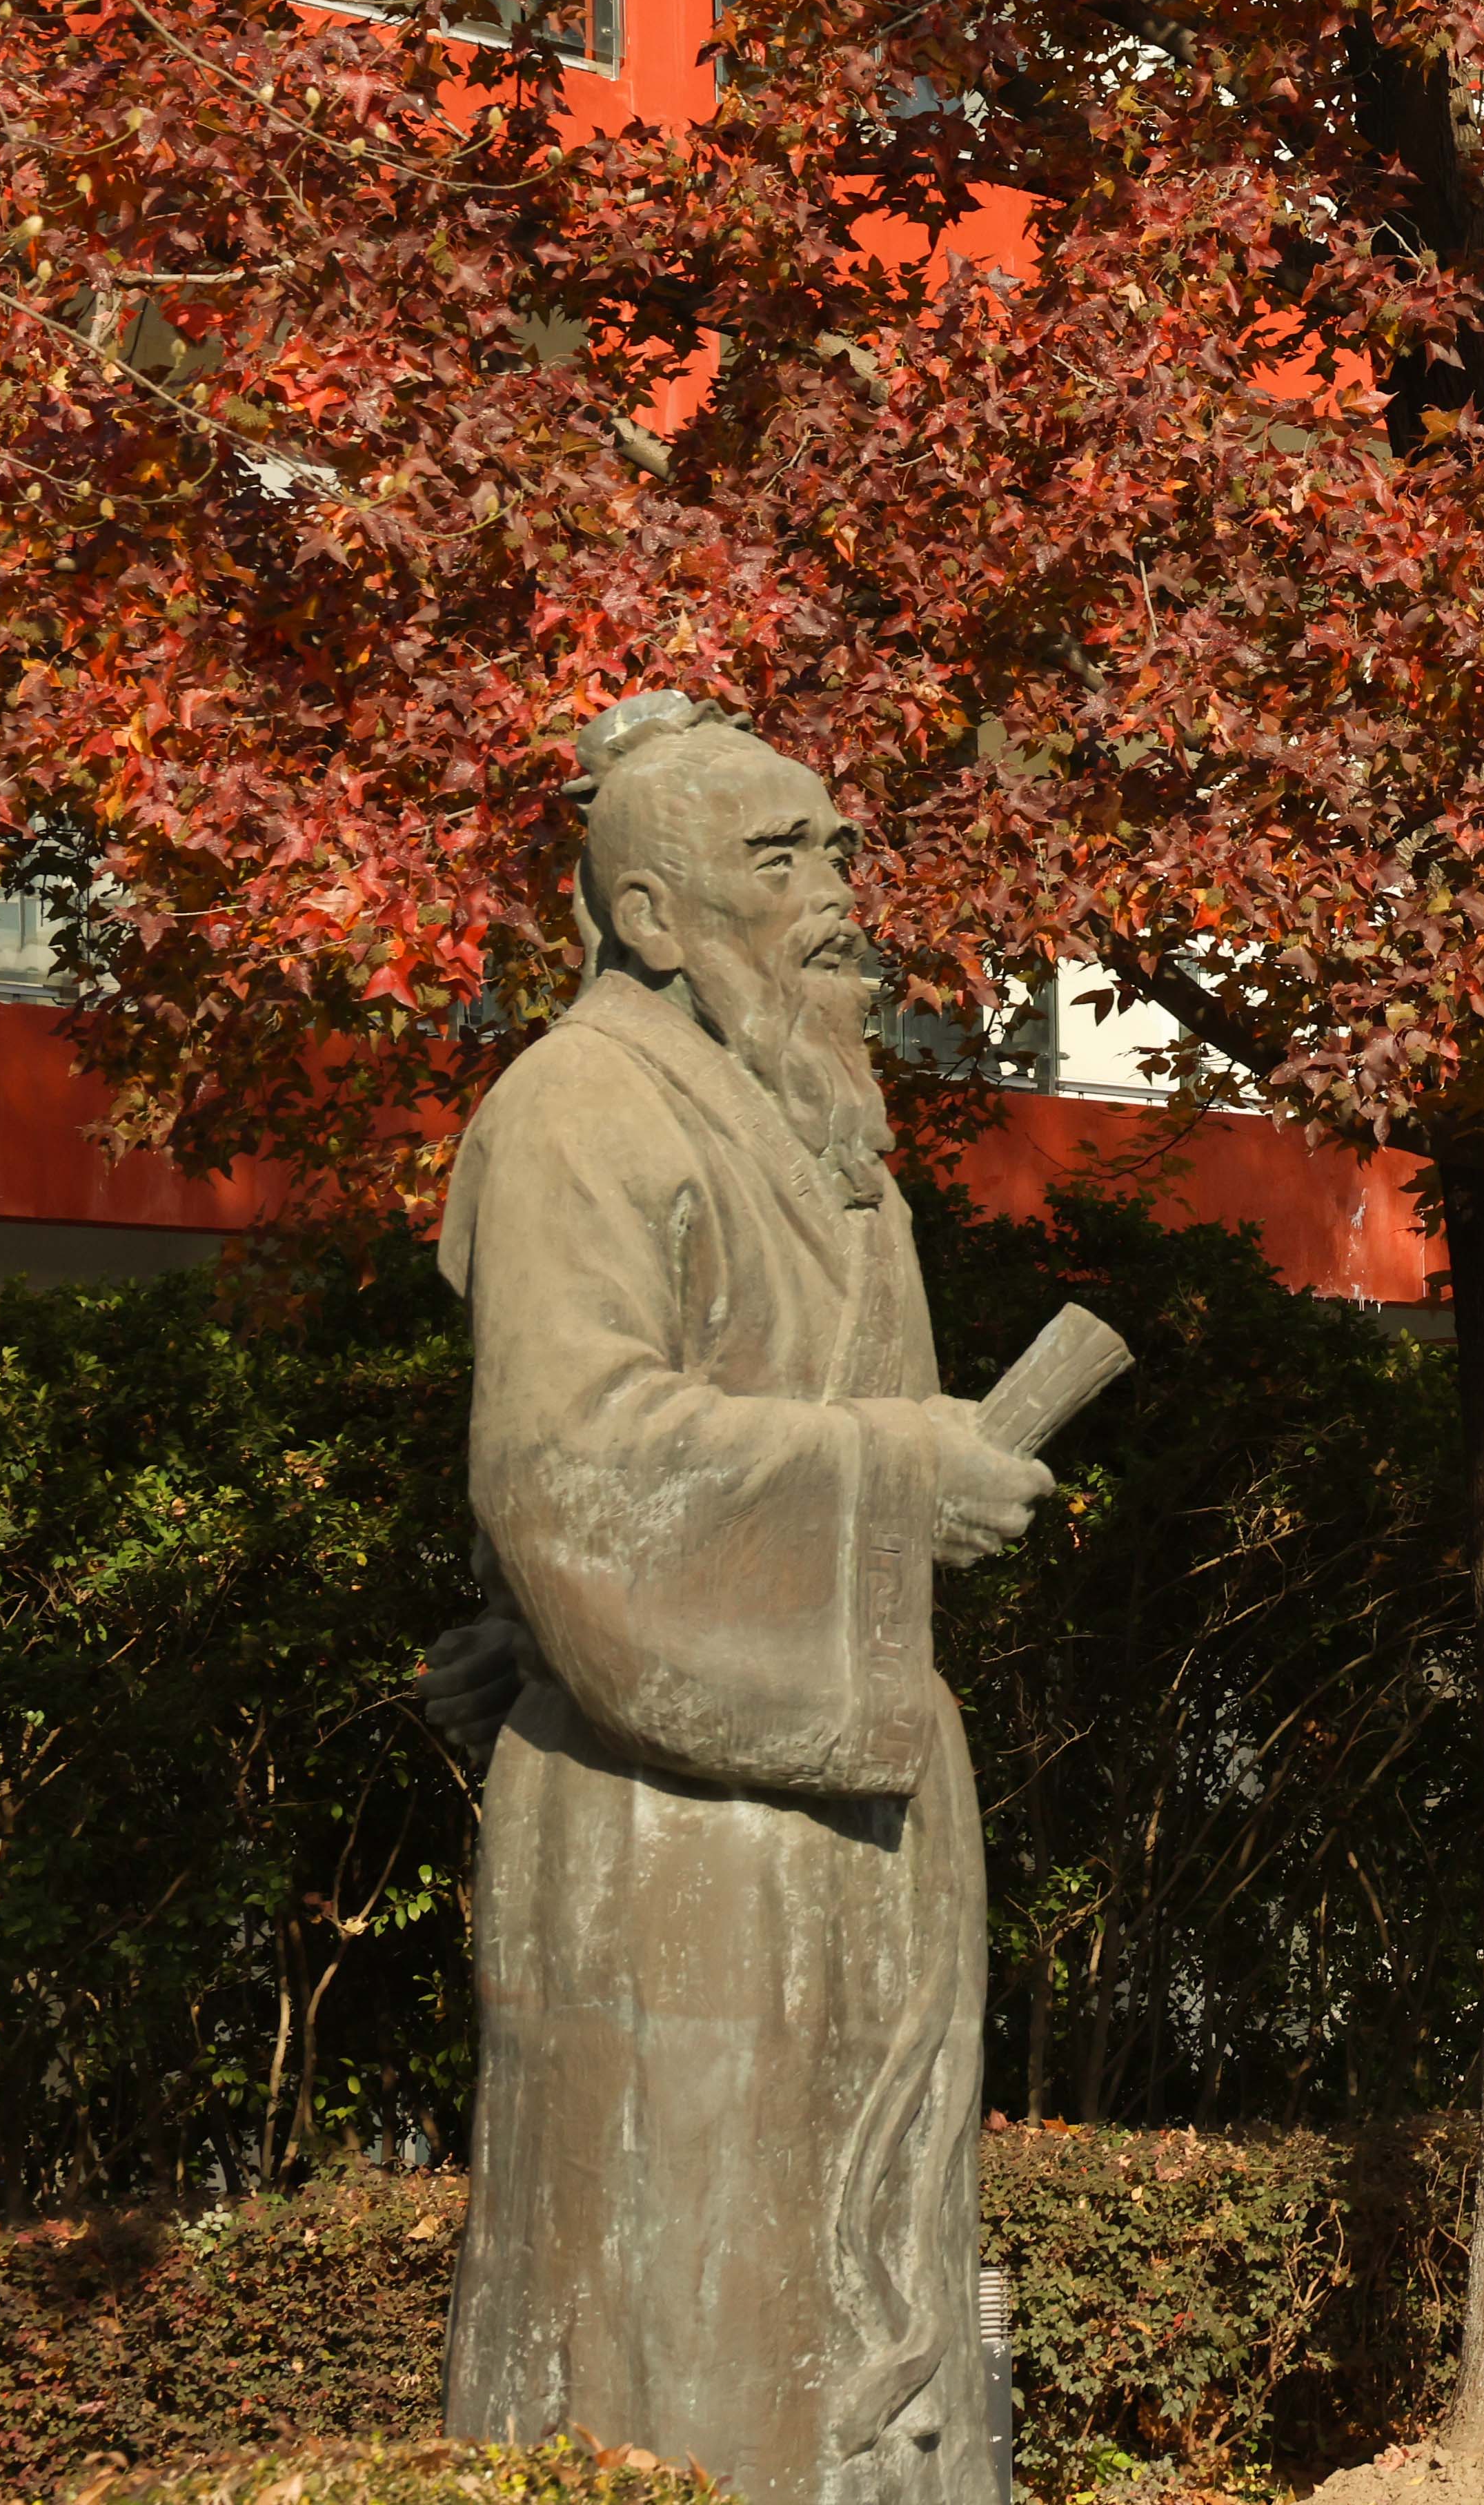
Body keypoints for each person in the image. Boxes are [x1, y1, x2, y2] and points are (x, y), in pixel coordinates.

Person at [431, 693, 1052, 2505]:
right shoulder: (574, 1111)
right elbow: (565, 1459)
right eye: (776, 859)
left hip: (854, 1801)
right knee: (677, 2307)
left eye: (838, 848)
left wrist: (884, 1490)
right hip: (670, 1832)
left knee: (870, 2276)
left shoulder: (829, 1141)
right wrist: (896, 1474)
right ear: (645, 914)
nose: (834, 892)